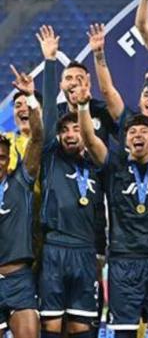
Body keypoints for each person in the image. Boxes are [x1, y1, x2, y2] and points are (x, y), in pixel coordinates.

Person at [77, 77, 148, 337]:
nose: (137, 135)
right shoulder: (114, 167)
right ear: (125, 141)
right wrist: (82, 107)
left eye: (144, 131)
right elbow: (89, 141)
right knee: (123, 332)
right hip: (123, 261)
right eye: (132, 132)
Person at [37, 26, 106, 337]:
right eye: (64, 131)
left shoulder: (97, 161)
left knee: (81, 326)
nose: (69, 134)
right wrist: (50, 62)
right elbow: (50, 114)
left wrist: (82, 110)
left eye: (75, 130)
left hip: (85, 250)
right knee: (51, 325)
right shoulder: (51, 156)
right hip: (54, 248)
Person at [0, 66, 43, 338]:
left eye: (2, 157)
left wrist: (32, 100)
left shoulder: (20, 181)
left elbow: (38, 138)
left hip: (19, 279)